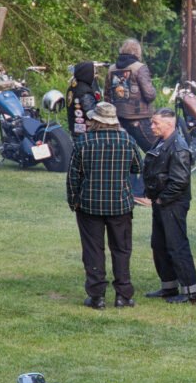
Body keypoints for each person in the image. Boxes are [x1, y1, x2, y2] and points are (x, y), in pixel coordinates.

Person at [66, 102, 141, 309]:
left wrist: (74, 201)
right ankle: (123, 296)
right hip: (120, 205)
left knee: (93, 251)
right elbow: (137, 166)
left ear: (96, 120)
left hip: (89, 205)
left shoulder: (83, 142)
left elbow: (73, 176)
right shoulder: (127, 140)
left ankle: (97, 296)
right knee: (122, 250)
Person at [142, 108, 196, 303]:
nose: (152, 126)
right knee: (159, 244)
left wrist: (161, 199)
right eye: (152, 122)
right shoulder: (161, 142)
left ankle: (190, 292)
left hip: (173, 203)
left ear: (169, 124)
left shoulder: (179, 147)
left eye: (155, 123)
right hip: (162, 202)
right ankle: (169, 286)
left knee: (177, 246)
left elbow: (180, 181)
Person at [107, 38, 156, 203]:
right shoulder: (139, 68)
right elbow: (149, 94)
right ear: (137, 52)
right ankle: (140, 192)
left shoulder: (112, 69)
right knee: (155, 151)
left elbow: (107, 95)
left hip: (119, 119)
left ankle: (124, 191)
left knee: (125, 155)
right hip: (140, 119)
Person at [65, 61, 102, 136]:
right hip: (85, 132)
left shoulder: (73, 87)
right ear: (87, 74)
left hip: (75, 128)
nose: (94, 76)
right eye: (93, 73)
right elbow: (91, 113)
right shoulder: (84, 92)